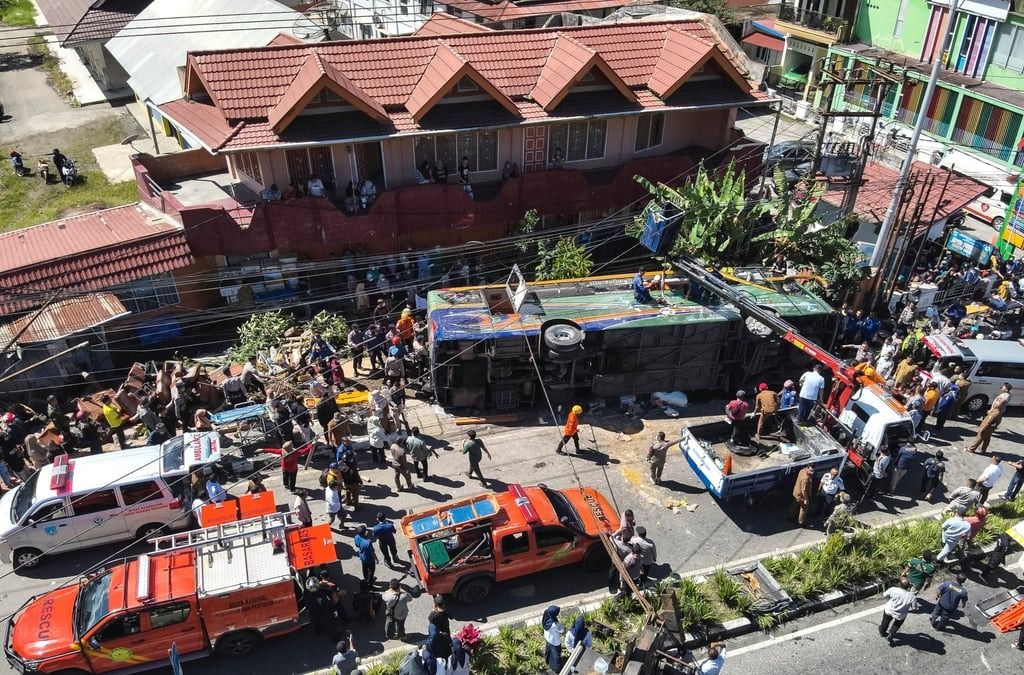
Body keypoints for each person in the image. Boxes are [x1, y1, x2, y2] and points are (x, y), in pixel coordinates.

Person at [878, 577, 918, 646]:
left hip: (889, 610)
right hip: (901, 614)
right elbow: (914, 608)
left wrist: (888, 599)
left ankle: (882, 632)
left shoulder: (893, 589)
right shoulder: (912, 596)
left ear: (900, 584)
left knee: (885, 621)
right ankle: (891, 635)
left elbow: (884, 595)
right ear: (909, 586)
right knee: (897, 624)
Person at [541, 606, 564, 672]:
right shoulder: (554, 624)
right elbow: (561, 630)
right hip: (554, 641)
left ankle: (547, 661)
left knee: (548, 651)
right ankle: (556, 668)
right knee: (556, 654)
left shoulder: (546, 615)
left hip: (547, 638)